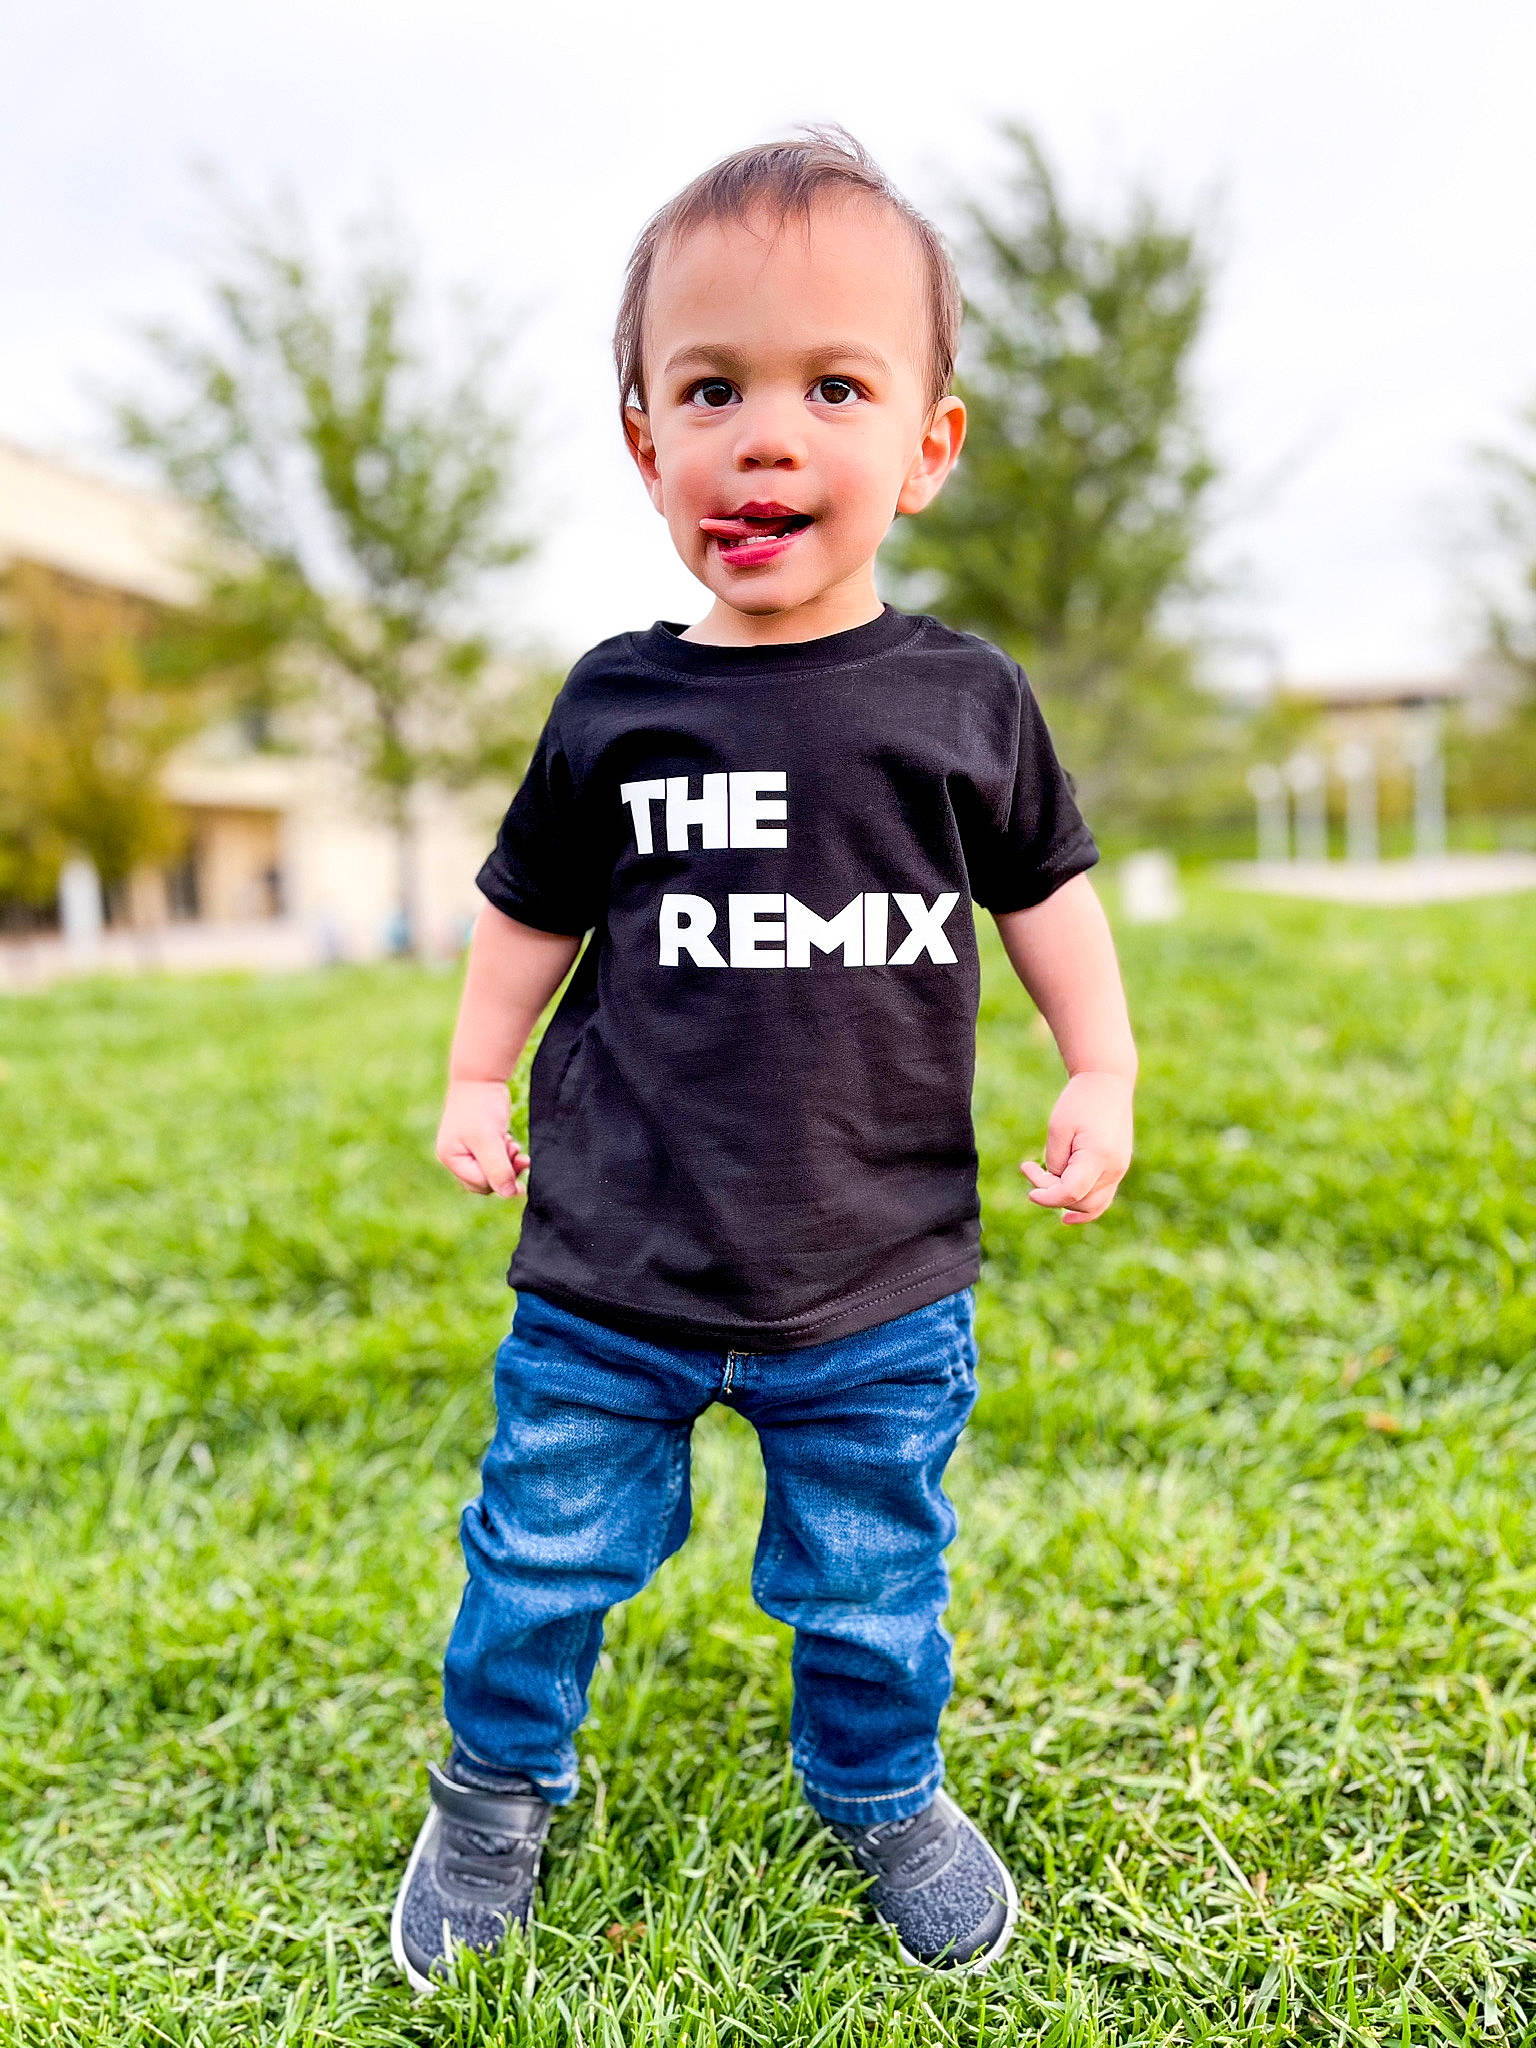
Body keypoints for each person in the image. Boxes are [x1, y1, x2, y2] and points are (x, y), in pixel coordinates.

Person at [391, 127, 1137, 1992]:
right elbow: (526, 909)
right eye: (711, 389)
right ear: (645, 439)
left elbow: (1047, 890)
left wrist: (1099, 1066)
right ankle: (494, 1788)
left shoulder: (962, 703)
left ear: (928, 445)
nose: (768, 436)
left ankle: (881, 1787)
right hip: (615, 1275)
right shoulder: (617, 702)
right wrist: (479, 1080)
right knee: (538, 1564)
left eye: (835, 387)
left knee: (877, 1582)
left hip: (875, 1279)